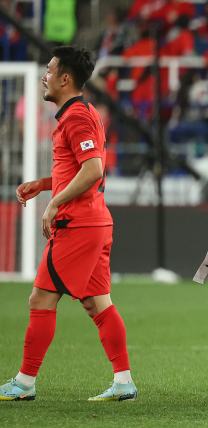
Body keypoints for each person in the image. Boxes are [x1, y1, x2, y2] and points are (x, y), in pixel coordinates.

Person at [0, 46, 137, 402]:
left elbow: (93, 170)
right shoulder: (85, 112)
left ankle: (24, 383)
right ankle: (123, 382)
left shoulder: (75, 118)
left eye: (49, 70)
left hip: (78, 225)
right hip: (95, 222)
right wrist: (45, 185)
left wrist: (54, 202)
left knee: (41, 298)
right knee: (98, 304)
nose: (44, 76)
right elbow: (81, 167)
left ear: (65, 78)